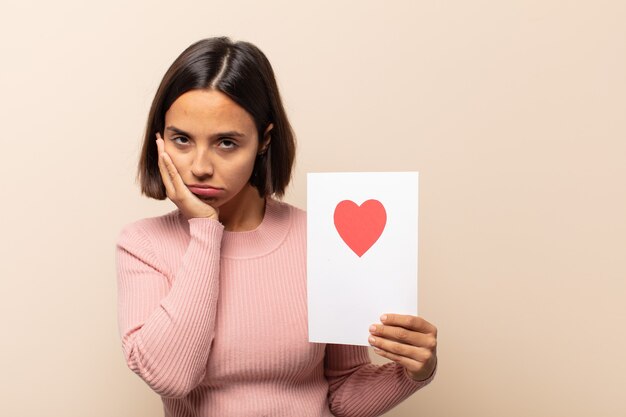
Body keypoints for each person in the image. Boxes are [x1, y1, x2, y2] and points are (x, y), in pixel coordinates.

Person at [115, 36, 437, 417]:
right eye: (181, 140)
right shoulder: (143, 245)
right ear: (159, 139)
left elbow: (343, 395)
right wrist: (204, 228)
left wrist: (415, 371)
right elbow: (172, 378)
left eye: (226, 143)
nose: (200, 166)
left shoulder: (323, 239)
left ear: (264, 140)